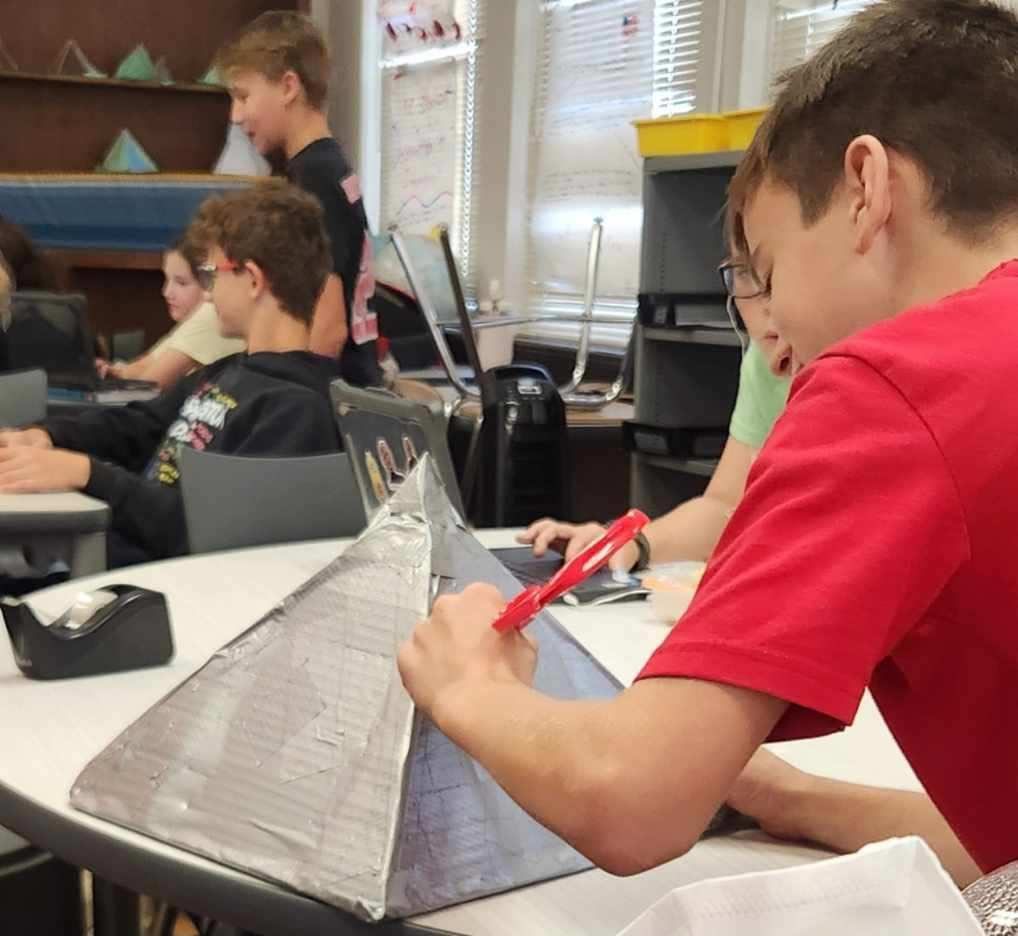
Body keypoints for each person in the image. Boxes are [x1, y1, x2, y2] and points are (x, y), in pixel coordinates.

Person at [397, 0, 1018, 891]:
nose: (778, 336)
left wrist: (469, 688)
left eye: (765, 271)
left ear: (866, 187)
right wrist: (795, 798)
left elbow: (631, 800)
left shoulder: (896, 383)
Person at [0, 180, 342, 567]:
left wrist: (87, 474)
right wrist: (45, 437)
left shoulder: (297, 408)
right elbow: (138, 426)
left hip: (144, 595)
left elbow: (207, 534)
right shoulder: (229, 370)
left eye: (212, 275)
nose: (208, 294)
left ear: (252, 279)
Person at [520, 253, 792, 569]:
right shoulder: (763, 362)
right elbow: (724, 507)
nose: (765, 304)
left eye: (777, 273)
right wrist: (624, 544)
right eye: (746, 275)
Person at [215, 11, 381, 387]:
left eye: (243, 96)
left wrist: (282, 409)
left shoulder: (314, 181)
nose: (236, 115)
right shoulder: (324, 168)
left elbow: (327, 328)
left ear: (289, 87)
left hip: (334, 402)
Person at [98, 233, 244, 390]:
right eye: (167, 279)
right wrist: (111, 372)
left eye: (181, 283)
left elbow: (147, 388)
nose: (166, 292)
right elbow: (145, 364)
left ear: (210, 282)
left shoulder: (210, 315)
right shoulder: (191, 321)